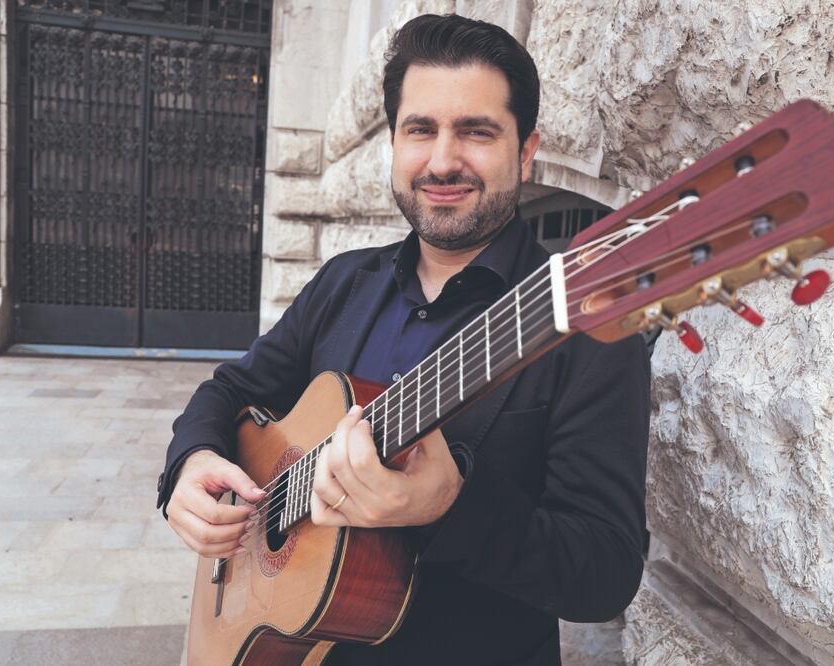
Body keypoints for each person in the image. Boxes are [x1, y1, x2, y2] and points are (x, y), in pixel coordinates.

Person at [157, 13, 650, 665]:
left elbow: (604, 575)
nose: (443, 161)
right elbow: (231, 390)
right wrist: (190, 462)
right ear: (393, 141)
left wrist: (451, 506)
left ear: (525, 150)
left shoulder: (585, 320)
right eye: (420, 129)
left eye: (476, 131)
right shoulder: (342, 283)